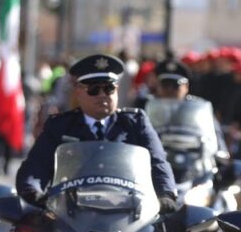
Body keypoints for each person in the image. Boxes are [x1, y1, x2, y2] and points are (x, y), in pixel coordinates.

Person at [15, 53, 178, 212]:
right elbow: (37, 166)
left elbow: (158, 162)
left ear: (117, 90)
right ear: (78, 92)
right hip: (71, 214)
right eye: (93, 89)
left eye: (109, 89)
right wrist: (33, 191)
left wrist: (166, 194)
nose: (102, 95)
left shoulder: (136, 123)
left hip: (127, 213)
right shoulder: (60, 126)